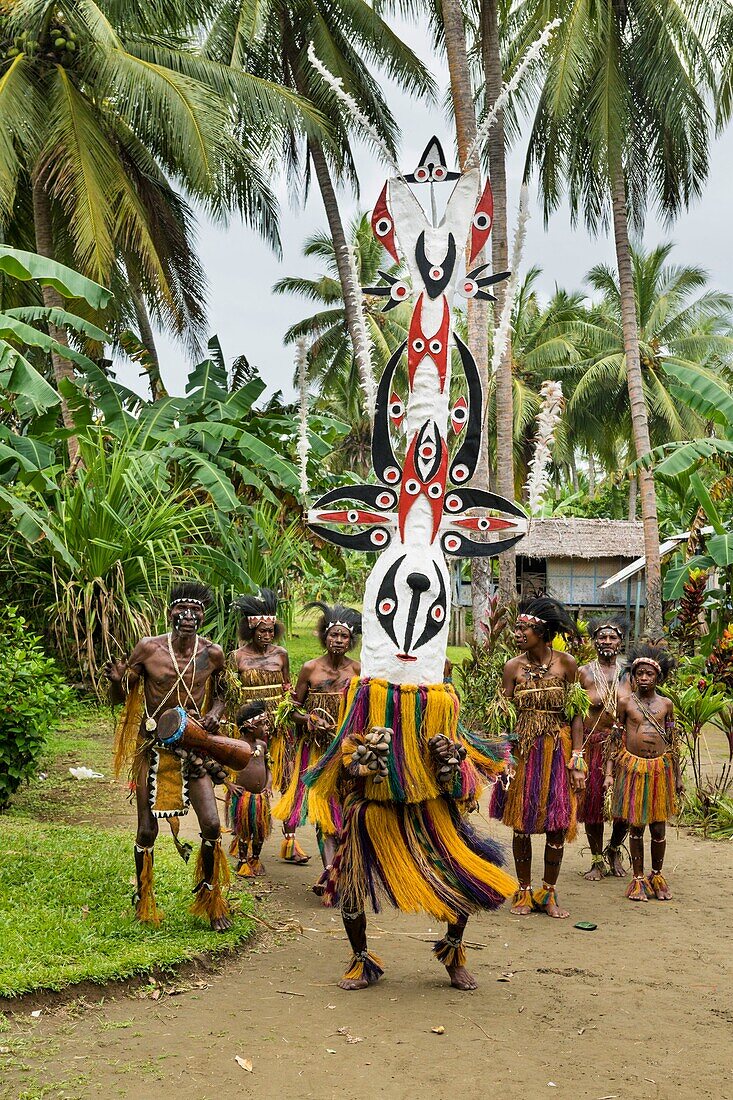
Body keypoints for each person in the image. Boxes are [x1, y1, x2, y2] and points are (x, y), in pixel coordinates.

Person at [107, 582, 231, 931]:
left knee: (211, 825)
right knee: (147, 831)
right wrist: (118, 682)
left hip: (194, 750)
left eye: (196, 611)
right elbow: (120, 696)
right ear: (170, 613)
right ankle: (143, 897)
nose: (189, 616)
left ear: (203, 616)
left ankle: (210, 896)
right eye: (181, 610)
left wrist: (216, 712)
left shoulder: (213, 653)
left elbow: (224, 689)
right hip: (154, 748)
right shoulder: (148, 649)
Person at [490, 597, 589, 919]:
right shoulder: (512, 667)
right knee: (522, 822)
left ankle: (548, 892)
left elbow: (576, 715)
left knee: (556, 824)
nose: (518, 633)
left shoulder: (566, 664)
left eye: (525, 629)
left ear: (543, 632)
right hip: (524, 752)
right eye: (517, 628)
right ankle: (523, 891)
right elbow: (503, 716)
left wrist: (577, 758)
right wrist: (505, 757)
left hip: (558, 751)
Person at [273, 602, 361, 884]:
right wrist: (309, 719)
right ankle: (330, 873)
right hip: (316, 752)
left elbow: (365, 709)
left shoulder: (358, 671)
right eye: (333, 635)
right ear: (324, 637)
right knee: (324, 811)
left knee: (347, 809)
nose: (337, 641)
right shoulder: (310, 669)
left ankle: (345, 866)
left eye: (343, 636)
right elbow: (291, 710)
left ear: (351, 640)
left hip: (346, 751)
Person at [228, 590, 305, 863]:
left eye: (271, 631)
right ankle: (241, 836)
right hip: (249, 729)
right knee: (246, 781)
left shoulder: (281, 655)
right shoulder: (237, 657)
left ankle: (290, 842)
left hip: (279, 728)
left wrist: (291, 714)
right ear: (251, 629)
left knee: (285, 780)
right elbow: (230, 696)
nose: (266, 635)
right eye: (261, 630)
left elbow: (288, 690)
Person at [605, 644, 682, 901]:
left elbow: (673, 740)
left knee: (658, 827)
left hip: (660, 769)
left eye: (649, 674)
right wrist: (608, 773)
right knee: (636, 825)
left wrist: (678, 777)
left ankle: (657, 875)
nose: (644, 678)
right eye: (639, 674)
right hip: (633, 768)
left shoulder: (666, 704)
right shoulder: (625, 703)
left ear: (657, 677)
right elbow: (615, 740)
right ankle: (638, 880)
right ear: (633, 676)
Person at [577, 617, 631, 879]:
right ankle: (597, 859)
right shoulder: (584, 673)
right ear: (594, 641)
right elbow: (574, 712)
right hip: (592, 743)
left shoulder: (630, 672)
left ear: (621, 642)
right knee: (593, 803)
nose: (607, 642)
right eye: (602, 637)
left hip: (623, 744)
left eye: (612, 637)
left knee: (625, 802)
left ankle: (614, 850)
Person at [226, 701, 272, 877]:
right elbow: (221, 767)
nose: (267, 727)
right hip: (243, 796)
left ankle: (255, 859)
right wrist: (229, 784)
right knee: (244, 830)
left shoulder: (263, 745)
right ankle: (243, 862)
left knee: (260, 830)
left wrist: (268, 785)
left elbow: (268, 768)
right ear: (251, 727)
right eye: (263, 724)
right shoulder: (236, 745)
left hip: (261, 797)